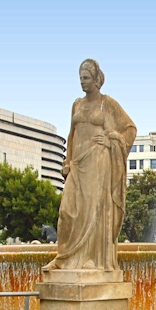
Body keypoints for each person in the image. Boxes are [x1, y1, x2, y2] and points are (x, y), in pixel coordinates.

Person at [43, 59, 136, 271]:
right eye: (80, 79)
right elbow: (71, 133)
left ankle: (92, 259)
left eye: (86, 78)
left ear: (96, 80)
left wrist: (112, 139)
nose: (82, 83)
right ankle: (64, 258)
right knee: (67, 212)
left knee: (94, 211)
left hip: (98, 162)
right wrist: (67, 161)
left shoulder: (108, 103)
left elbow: (130, 129)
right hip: (78, 164)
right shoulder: (77, 104)